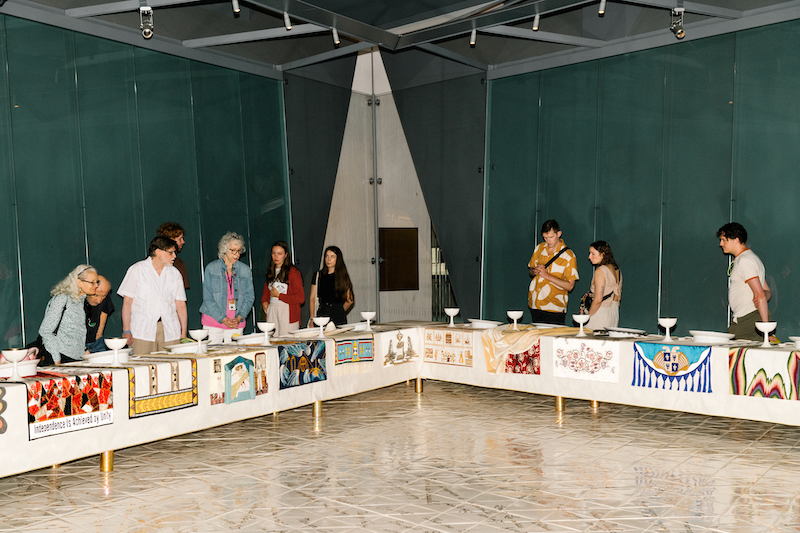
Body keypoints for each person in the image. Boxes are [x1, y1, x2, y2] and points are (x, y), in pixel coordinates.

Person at [118, 236, 188, 354]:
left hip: (170, 330)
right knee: (142, 367)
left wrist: (183, 333)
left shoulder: (175, 273)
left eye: (174, 252)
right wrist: (126, 330)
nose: (174, 256)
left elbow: (180, 304)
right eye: (170, 252)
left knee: (172, 368)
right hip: (142, 331)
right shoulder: (137, 270)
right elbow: (127, 302)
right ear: (158, 252)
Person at [717, 222, 771, 341]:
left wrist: (765, 328)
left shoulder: (744, 261)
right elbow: (766, 291)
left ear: (736, 240)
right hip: (750, 317)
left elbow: (761, 294)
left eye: (724, 240)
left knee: (739, 358)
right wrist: (758, 299)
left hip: (748, 320)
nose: (721, 244)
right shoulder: (750, 258)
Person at [199, 232, 255, 343]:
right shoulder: (211, 268)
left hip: (236, 323)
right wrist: (223, 319)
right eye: (233, 250)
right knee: (213, 358)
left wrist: (239, 317)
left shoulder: (245, 270)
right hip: (213, 322)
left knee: (235, 358)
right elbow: (208, 298)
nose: (236, 254)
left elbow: (249, 297)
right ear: (224, 250)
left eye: (238, 251)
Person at [37, 265, 99, 365]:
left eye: (97, 282)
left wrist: (84, 352)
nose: (96, 285)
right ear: (79, 282)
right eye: (92, 282)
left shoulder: (81, 301)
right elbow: (45, 331)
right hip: (61, 358)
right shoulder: (62, 299)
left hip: (76, 359)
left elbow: (75, 333)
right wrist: (57, 359)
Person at [527, 220, 579, 325]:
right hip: (535, 304)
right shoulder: (539, 248)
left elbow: (570, 286)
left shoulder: (569, 256)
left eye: (551, 237)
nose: (548, 240)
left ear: (558, 234)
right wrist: (535, 271)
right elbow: (530, 272)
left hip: (554, 307)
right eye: (545, 238)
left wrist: (546, 275)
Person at [261, 241, 304, 337]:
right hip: (272, 310)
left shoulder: (293, 272)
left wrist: (279, 296)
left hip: (287, 311)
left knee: (287, 342)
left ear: (286, 255)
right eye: (273, 253)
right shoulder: (270, 271)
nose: (276, 256)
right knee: (272, 341)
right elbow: (266, 292)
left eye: (279, 254)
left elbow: (300, 298)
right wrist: (264, 302)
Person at [309, 246, 354, 327]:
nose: (329, 259)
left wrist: (340, 311)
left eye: (332, 256)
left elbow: (349, 300)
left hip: (337, 315)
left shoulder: (342, 276)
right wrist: (312, 318)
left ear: (338, 259)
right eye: (326, 256)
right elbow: (312, 298)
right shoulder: (318, 275)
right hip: (322, 315)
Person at [585, 241, 622, 330]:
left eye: (593, 254)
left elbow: (598, 299)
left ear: (602, 255)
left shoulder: (600, 271)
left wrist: (586, 318)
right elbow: (618, 298)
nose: (589, 257)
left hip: (600, 314)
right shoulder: (617, 271)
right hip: (613, 314)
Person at [85, 275, 114, 353]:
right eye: (96, 295)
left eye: (103, 296)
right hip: (78, 341)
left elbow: (105, 310)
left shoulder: (103, 291)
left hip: (96, 341)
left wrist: (99, 332)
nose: (99, 300)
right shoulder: (77, 298)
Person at [158, 222, 190, 290]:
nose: (183, 242)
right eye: (180, 239)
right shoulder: (149, 264)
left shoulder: (179, 264)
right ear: (171, 240)